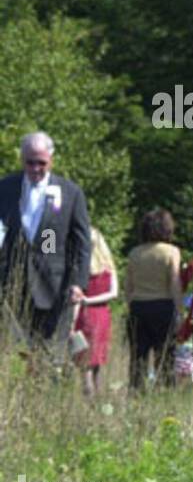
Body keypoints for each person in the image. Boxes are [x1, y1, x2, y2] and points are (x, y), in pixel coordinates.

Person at [0, 131, 91, 364]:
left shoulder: (70, 193)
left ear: (51, 160)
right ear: (22, 159)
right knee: (15, 354)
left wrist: (78, 283)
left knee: (49, 355)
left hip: (54, 288)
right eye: (30, 162)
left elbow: (81, 243)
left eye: (41, 163)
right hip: (11, 285)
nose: (35, 168)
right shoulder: (5, 188)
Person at [124, 208, 182, 389]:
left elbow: (128, 285)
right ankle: (166, 390)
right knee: (165, 355)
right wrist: (180, 310)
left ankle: (136, 391)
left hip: (138, 307)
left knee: (138, 357)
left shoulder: (135, 253)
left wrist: (130, 305)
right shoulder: (171, 252)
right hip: (163, 306)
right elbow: (174, 282)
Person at [73, 227, 117, 396]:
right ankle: (99, 400)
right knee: (97, 361)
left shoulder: (81, 269)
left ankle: (88, 399)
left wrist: (73, 322)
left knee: (85, 364)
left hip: (85, 315)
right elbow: (114, 293)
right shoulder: (108, 267)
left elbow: (76, 299)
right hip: (103, 315)